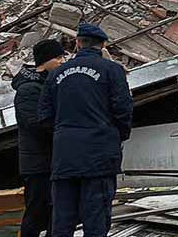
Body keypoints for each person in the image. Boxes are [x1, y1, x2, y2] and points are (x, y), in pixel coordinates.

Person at [39, 24, 132, 237]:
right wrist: (116, 136)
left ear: (78, 43)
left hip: (65, 157)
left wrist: (64, 134)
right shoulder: (112, 70)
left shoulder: (56, 74)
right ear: (103, 45)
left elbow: (44, 116)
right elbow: (123, 110)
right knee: (96, 220)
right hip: (99, 156)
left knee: (62, 221)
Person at [13, 39, 66, 236]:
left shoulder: (51, 84)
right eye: (58, 57)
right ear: (45, 60)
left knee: (56, 211)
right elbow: (34, 123)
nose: (62, 61)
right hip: (37, 164)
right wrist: (65, 129)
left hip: (52, 160)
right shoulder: (28, 89)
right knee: (36, 211)